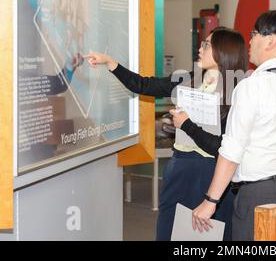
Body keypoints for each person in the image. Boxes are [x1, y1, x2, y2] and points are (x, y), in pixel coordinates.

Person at [84, 27, 248, 241]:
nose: (200, 48)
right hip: (181, 167)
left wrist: (186, 124)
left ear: (223, 52)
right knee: (169, 231)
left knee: (211, 235)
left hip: (214, 175)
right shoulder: (189, 80)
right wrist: (110, 63)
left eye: (206, 44)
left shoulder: (238, 94)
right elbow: (145, 84)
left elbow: (221, 148)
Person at [192, 10, 276, 241]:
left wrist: (210, 201)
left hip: (261, 193)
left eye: (254, 34)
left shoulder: (252, 86)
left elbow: (232, 149)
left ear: (271, 40)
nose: (250, 40)